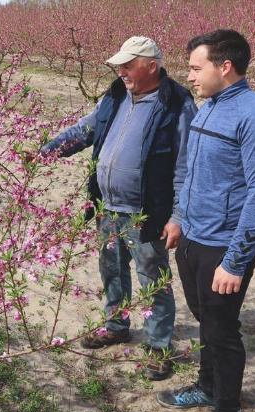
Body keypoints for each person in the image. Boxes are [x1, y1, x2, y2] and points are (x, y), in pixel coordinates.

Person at [155, 29, 255, 412]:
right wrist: (177, 218)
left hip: (223, 246)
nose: (189, 75)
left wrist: (235, 259)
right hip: (192, 237)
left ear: (223, 66)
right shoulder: (208, 109)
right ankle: (207, 385)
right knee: (205, 321)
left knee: (223, 331)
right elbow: (190, 172)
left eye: (196, 67)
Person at [40, 36, 197, 381]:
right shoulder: (114, 97)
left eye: (128, 65)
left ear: (151, 66)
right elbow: (84, 131)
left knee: (152, 277)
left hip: (147, 211)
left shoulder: (177, 104)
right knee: (111, 269)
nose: (121, 71)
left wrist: (179, 216)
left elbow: (188, 165)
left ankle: (158, 345)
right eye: (119, 66)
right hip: (107, 207)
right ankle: (116, 324)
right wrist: (47, 152)